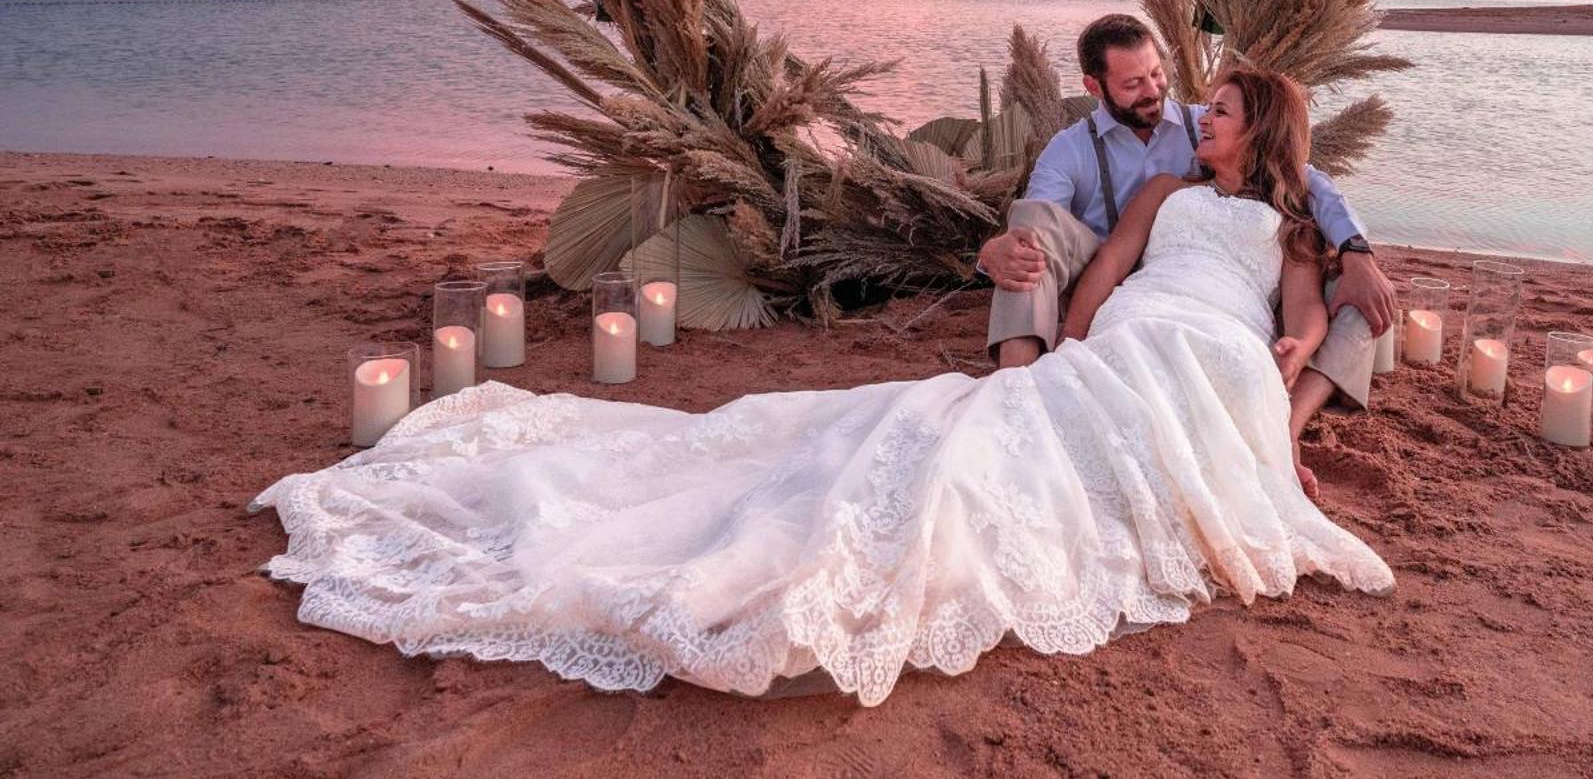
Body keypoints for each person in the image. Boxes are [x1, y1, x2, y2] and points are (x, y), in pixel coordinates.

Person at [252, 64, 1395, 707]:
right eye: (1194, 103)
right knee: (1007, 431)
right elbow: (1097, 279)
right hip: (1142, 329)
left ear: (1261, 132)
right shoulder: (1160, 196)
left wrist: (1293, 349)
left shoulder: (1292, 221)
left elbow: (1300, 310)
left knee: (1180, 406)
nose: (1198, 113)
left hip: (1222, 349)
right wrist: (1066, 346)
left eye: (1221, 110)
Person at [980, 14, 1396, 427]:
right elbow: (1058, 234)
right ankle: (1017, 384)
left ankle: (1290, 421)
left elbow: (1309, 182)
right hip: (1115, 271)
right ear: (1094, 87)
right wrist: (998, 252)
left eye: (1157, 74)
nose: (1152, 90)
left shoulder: (1207, 125)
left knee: (1363, 293)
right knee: (1029, 237)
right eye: (1132, 84)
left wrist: (1356, 251)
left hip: (1226, 297)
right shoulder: (1071, 150)